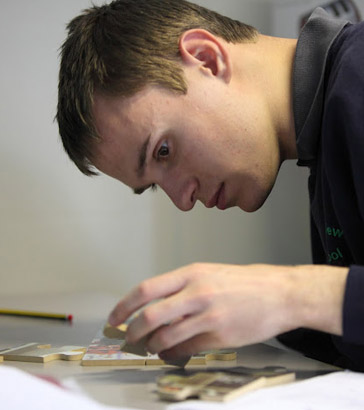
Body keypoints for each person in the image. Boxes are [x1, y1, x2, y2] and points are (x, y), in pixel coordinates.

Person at [57, 0, 364, 370]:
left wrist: (288, 295)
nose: (183, 201)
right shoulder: (325, 132)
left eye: (164, 151)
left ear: (207, 58)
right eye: (154, 185)